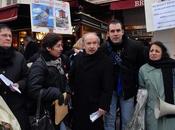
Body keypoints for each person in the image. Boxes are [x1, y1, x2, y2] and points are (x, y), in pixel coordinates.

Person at [100, 19, 147, 130]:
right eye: (112, 31)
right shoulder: (102, 49)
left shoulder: (136, 46)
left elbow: (143, 67)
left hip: (128, 89)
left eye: (118, 30)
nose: (115, 33)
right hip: (109, 90)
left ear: (123, 31)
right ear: (108, 33)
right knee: (109, 120)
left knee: (127, 120)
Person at [69, 32, 113, 130]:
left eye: (94, 43)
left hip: (96, 105)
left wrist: (103, 105)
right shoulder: (78, 58)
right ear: (83, 45)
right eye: (89, 43)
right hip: (79, 102)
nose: (92, 46)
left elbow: (108, 86)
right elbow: (71, 78)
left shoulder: (106, 61)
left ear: (98, 44)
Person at [27, 33, 71, 130]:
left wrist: (66, 91)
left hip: (59, 111)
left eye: (61, 45)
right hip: (46, 113)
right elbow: (33, 90)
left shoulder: (59, 60)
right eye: (58, 46)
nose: (61, 48)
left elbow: (63, 80)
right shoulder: (39, 65)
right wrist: (53, 92)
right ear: (48, 48)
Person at [138, 41, 175, 130]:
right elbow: (142, 89)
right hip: (152, 110)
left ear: (163, 53)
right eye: (151, 51)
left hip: (171, 107)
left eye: (157, 51)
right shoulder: (143, 69)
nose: (153, 53)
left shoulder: (172, 66)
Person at [0, 24, 30, 130]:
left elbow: (27, 78)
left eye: (10, 36)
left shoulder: (19, 57)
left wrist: (19, 84)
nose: (8, 38)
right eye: (4, 35)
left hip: (17, 109)